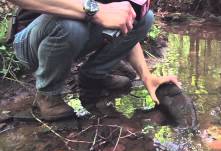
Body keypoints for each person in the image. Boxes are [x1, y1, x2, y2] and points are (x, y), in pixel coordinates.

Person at [8, 0, 180, 121]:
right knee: (72, 25)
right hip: (29, 43)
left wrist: (146, 76)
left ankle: (93, 76)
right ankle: (48, 93)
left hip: (68, 36)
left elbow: (125, 27)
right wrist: (93, 9)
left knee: (143, 18)